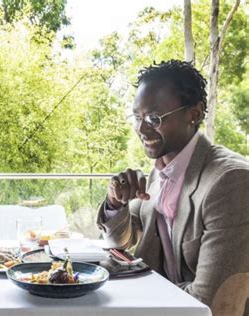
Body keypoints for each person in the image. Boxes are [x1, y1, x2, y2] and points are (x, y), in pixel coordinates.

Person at [96, 60, 249, 307]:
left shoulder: (232, 182)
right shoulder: (160, 172)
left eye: (154, 118)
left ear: (194, 114)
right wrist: (116, 203)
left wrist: (138, 293)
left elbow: (213, 303)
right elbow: (120, 243)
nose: (142, 129)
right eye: (137, 117)